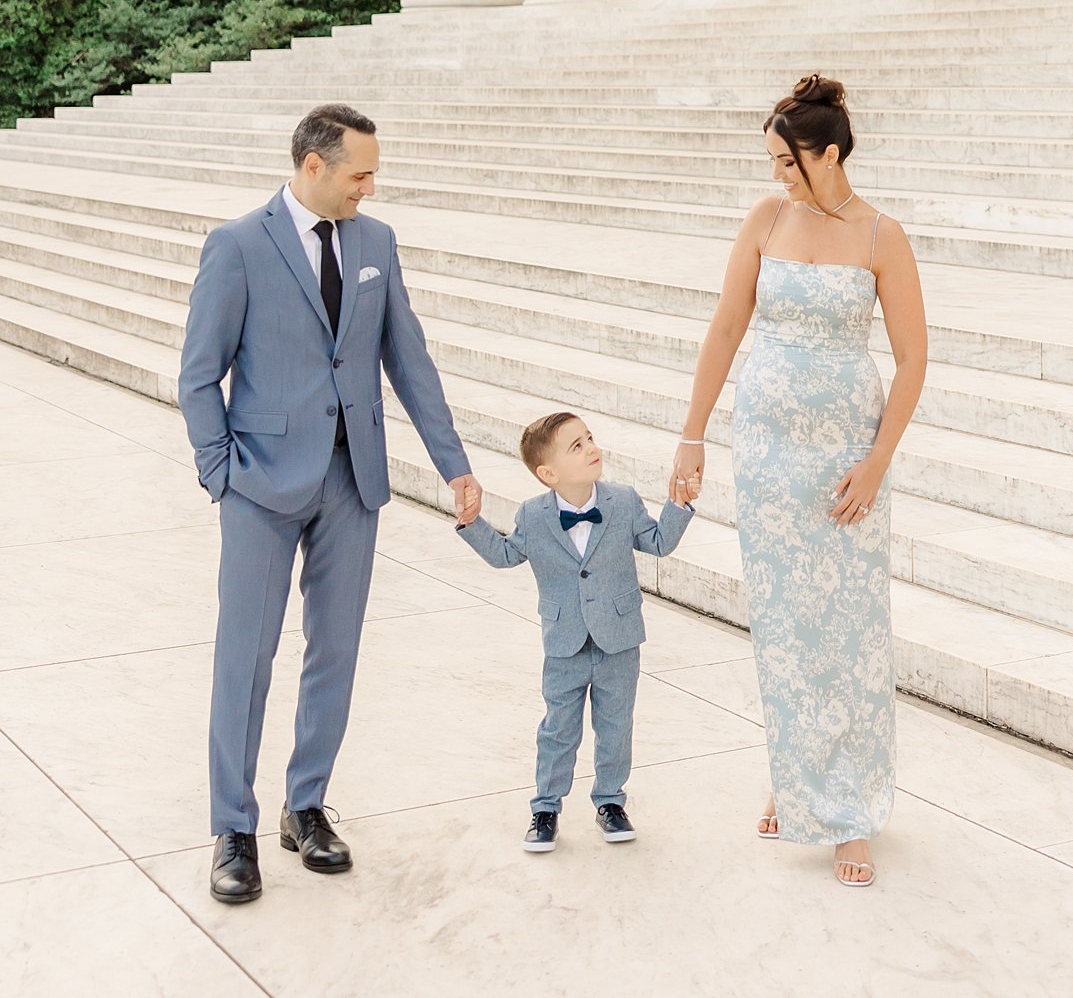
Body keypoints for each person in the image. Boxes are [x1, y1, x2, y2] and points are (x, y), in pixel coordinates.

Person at [178, 101, 481, 904]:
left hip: (355, 483)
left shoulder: (376, 243)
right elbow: (197, 375)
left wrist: (453, 464)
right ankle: (232, 826)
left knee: (335, 652)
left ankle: (304, 807)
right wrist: (222, 474)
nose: (370, 188)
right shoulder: (238, 246)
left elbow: (408, 360)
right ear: (313, 167)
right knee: (245, 659)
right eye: (360, 174)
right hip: (260, 484)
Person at [669, 74, 927, 888]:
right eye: (774, 161)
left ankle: (848, 811)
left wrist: (877, 460)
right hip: (770, 449)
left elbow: (915, 357)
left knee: (848, 628)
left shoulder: (884, 236)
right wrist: (692, 433)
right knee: (783, 623)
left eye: (788, 161)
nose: (778, 174)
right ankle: (796, 776)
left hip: (848, 449)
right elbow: (725, 325)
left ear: (830, 153)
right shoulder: (765, 218)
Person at [456, 409, 695, 851]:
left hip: (619, 639)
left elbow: (658, 542)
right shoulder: (533, 514)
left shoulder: (622, 500)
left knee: (616, 724)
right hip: (564, 642)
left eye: (590, 438)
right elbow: (506, 556)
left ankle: (610, 802)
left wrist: (679, 505)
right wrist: (473, 523)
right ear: (548, 473)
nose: (592, 448)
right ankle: (545, 808)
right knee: (558, 728)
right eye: (577, 446)